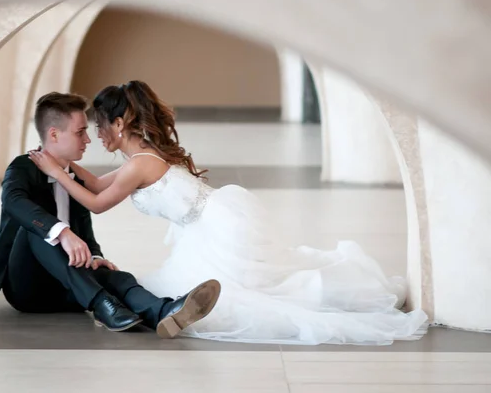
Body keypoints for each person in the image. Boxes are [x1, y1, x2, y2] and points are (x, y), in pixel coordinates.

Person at [27, 81, 430, 345]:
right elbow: (97, 184)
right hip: (208, 221)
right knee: (252, 284)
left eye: (99, 127)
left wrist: (50, 170)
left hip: (217, 227)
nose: (96, 136)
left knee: (259, 293)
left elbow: (97, 202)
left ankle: (338, 294)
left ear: (119, 123)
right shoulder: (139, 158)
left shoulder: (139, 164)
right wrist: (63, 162)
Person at [0, 91, 221, 339]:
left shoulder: (75, 177)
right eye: (80, 132)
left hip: (68, 286)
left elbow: (84, 225)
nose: (88, 139)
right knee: (35, 230)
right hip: (28, 288)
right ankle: (103, 305)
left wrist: (95, 256)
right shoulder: (23, 166)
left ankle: (163, 310)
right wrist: (62, 233)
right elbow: (13, 201)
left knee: (116, 277)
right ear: (54, 134)